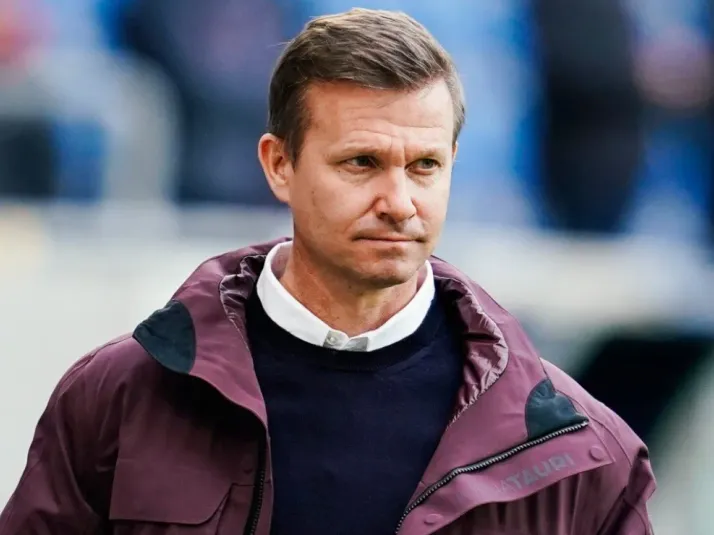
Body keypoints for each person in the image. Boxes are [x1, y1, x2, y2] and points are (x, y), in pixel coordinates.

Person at [0, 8, 655, 535]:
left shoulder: (585, 452)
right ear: (278, 164)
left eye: (425, 166)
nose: (399, 202)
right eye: (361, 163)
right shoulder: (117, 398)